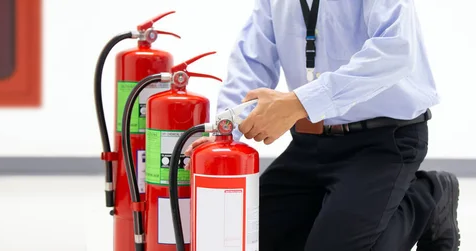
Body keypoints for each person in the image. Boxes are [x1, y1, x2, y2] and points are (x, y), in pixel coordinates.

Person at [184, 0, 460, 250]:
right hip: (310, 144)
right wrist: (225, 129)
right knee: (248, 237)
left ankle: (429, 195)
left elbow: (395, 50)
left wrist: (299, 103)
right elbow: (251, 60)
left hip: (383, 142)